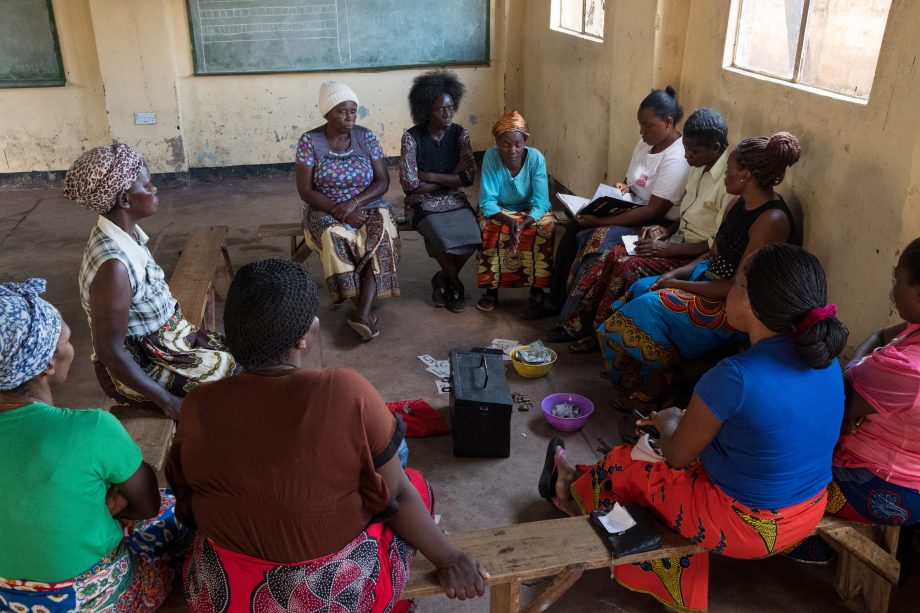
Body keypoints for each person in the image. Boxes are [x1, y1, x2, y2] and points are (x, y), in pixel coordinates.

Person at [167, 259, 488, 612]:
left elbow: (186, 498)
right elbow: (395, 495)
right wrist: (450, 558)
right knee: (410, 480)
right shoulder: (345, 390)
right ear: (307, 336)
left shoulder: (198, 404)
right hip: (332, 598)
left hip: (224, 594)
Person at [541, 243, 848, 611]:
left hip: (746, 528)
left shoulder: (735, 376)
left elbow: (676, 456)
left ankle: (573, 493)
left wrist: (669, 420)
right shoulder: (826, 363)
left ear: (749, 300)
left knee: (630, 461)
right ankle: (582, 482)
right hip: (808, 510)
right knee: (670, 450)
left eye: (736, 283)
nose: (729, 291)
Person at [0, 278, 184, 612]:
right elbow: (147, 505)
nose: (73, 347)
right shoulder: (91, 428)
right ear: (48, 364)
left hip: (6, 599)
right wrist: (103, 503)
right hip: (89, 599)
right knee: (175, 508)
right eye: (68, 340)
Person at [599, 132, 801, 404]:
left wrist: (677, 284)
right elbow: (712, 254)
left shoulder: (772, 220)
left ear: (746, 174)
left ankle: (657, 391)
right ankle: (648, 375)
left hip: (732, 305)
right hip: (707, 280)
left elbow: (737, 289)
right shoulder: (737, 204)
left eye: (728, 170)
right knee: (641, 287)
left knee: (649, 307)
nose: (725, 176)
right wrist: (673, 274)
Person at [65, 144, 236, 419]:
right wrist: (167, 401)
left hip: (168, 342)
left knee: (251, 355)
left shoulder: (126, 233)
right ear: (124, 200)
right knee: (235, 380)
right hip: (141, 364)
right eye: (148, 185)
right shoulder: (114, 267)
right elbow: (111, 352)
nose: (155, 190)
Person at [548, 108, 732, 351]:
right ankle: (579, 320)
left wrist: (667, 248)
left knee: (625, 265)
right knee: (610, 253)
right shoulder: (699, 164)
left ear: (716, 147)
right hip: (673, 239)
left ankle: (602, 334)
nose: (687, 156)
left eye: (693, 151)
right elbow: (687, 212)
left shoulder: (728, 184)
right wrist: (666, 231)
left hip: (691, 257)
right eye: (686, 148)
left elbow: (713, 245)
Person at [539, 87, 691, 331]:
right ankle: (557, 298)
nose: (642, 132)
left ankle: (577, 321)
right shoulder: (646, 143)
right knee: (575, 225)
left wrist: (600, 222)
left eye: (648, 126)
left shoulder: (677, 156)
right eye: (640, 125)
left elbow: (654, 211)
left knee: (597, 240)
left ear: (668, 122)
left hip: (655, 224)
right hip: (630, 208)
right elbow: (632, 180)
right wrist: (622, 187)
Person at [296, 81, 400, 341]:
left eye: (353, 111)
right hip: (324, 209)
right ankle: (363, 312)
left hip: (367, 204)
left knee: (378, 239)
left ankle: (362, 315)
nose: (350, 116)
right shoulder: (310, 141)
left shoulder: (366, 137)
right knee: (335, 238)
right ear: (328, 113)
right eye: (343, 111)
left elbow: (382, 181)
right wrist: (339, 211)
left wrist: (353, 204)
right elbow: (306, 190)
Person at [400, 70, 481, 313]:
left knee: (474, 236)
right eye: (440, 109)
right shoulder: (411, 138)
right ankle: (456, 284)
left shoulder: (460, 134)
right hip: (420, 203)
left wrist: (431, 176)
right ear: (426, 110)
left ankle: (442, 279)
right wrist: (451, 177)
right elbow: (411, 185)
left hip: (454, 199)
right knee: (441, 238)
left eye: (450, 107)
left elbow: (468, 177)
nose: (447, 113)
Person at [476, 110, 555, 314]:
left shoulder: (536, 158)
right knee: (490, 227)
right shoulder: (491, 157)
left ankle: (537, 289)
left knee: (546, 226)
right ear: (497, 142)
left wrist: (524, 222)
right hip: (499, 209)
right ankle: (490, 290)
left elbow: (541, 200)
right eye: (506, 144)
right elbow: (487, 201)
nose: (512, 150)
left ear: (525, 142)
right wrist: (509, 222)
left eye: (518, 145)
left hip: (528, 210)